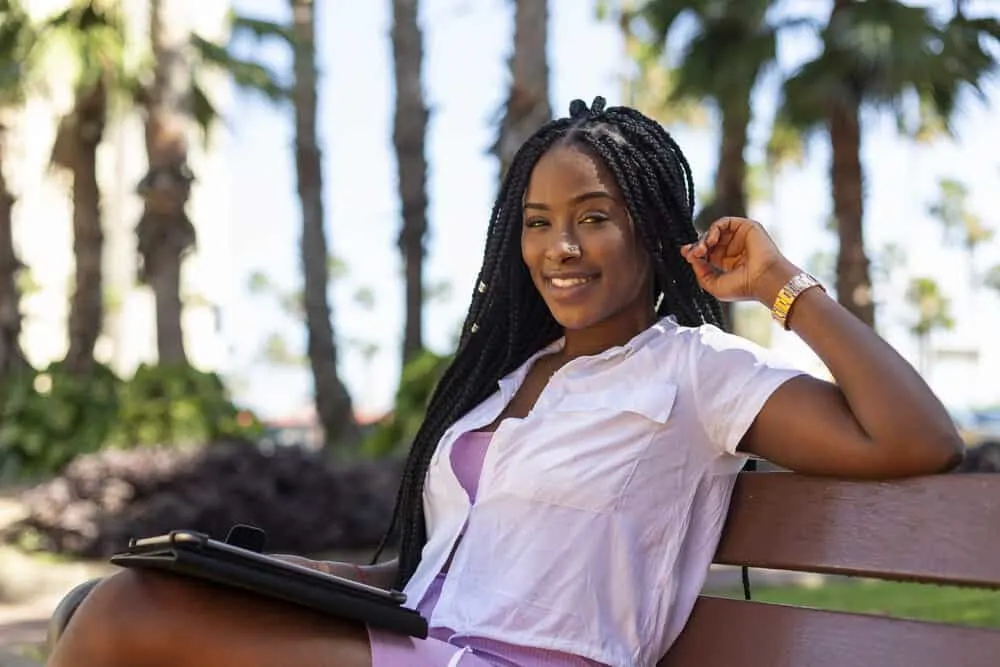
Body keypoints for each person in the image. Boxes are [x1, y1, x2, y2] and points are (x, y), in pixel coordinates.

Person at [46, 97, 963, 667]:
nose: (559, 248)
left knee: (124, 620)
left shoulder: (697, 370)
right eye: (537, 222)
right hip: (426, 643)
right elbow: (443, 574)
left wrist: (779, 288)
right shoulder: (512, 380)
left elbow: (915, 438)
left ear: (652, 229)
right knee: (93, 605)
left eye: (593, 218)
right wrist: (274, 573)